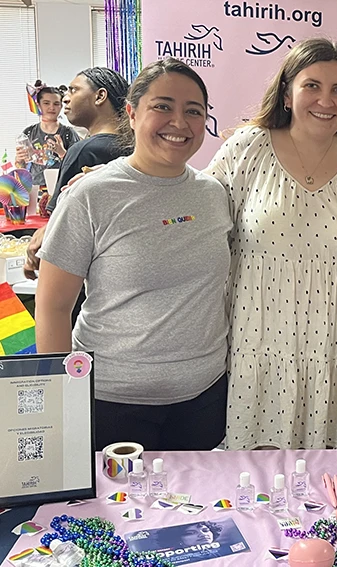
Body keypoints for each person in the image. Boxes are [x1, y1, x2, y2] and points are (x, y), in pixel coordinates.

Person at [35, 58, 233, 451]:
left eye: (193, 111)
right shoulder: (91, 196)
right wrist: (64, 400)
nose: (179, 122)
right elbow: (53, 307)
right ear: (131, 111)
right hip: (112, 402)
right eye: (163, 106)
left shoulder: (214, 194)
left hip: (204, 396)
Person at [205, 38, 337, 450]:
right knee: (253, 484)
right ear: (287, 92)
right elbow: (194, 213)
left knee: (330, 485)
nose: (326, 99)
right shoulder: (247, 148)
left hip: (335, 348)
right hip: (258, 343)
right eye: (312, 86)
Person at [23, 67, 130, 281]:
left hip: (82, 278)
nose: (65, 99)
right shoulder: (135, 148)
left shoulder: (84, 150)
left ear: (100, 96)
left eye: (73, 90)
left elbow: (58, 228)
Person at [15, 81, 80, 186]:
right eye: (46, 103)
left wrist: (62, 153)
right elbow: (21, 167)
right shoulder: (28, 133)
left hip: (61, 189)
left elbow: (77, 167)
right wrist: (19, 159)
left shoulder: (69, 134)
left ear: (61, 106)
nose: (51, 108)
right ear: (38, 105)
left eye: (56, 104)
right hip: (34, 189)